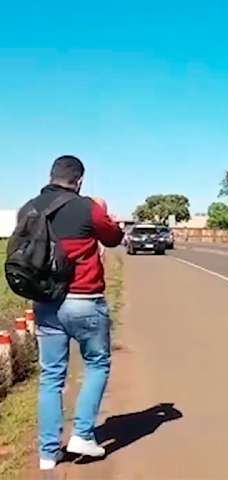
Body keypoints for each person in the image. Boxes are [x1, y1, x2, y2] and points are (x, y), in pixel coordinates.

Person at [18, 156, 124, 470]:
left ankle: (48, 454)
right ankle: (82, 435)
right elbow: (113, 238)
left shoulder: (29, 208)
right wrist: (106, 215)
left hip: (46, 303)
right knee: (97, 364)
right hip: (85, 300)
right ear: (79, 181)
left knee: (51, 377)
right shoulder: (87, 207)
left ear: (51, 176)